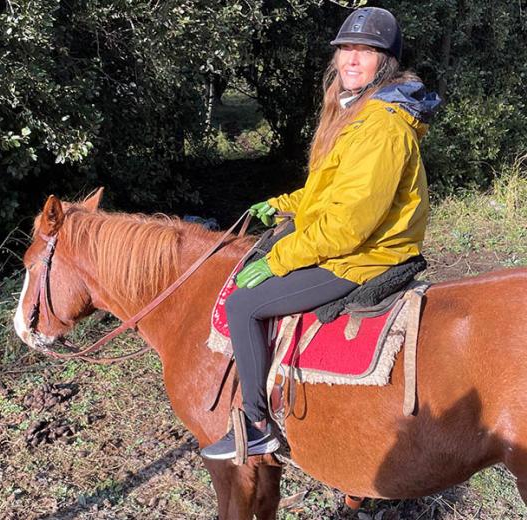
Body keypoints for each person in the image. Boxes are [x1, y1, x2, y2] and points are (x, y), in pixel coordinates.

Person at [201, 7, 441, 460]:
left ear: (385, 62)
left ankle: (257, 425)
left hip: (365, 256)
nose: (352, 59)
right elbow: (330, 190)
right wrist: (282, 204)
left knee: (243, 304)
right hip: (350, 243)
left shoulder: (382, 126)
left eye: (365, 51)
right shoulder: (357, 111)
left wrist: (278, 260)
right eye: (346, 49)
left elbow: (349, 225)